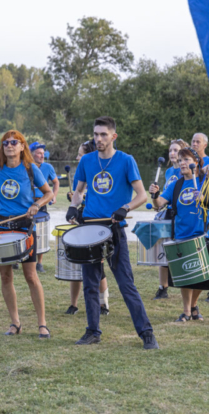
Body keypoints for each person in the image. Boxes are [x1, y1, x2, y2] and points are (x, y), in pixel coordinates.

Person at [67, 116, 158, 349]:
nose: (98, 138)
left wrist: (124, 208)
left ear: (113, 136)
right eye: (96, 134)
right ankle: (92, 331)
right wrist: (73, 206)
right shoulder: (87, 161)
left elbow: (142, 195)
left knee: (126, 283)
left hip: (113, 229)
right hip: (89, 227)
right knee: (89, 283)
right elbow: (78, 191)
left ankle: (147, 334)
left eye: (103, 135)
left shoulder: (126, 161)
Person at [0, 130, 54, 338]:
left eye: (14, 142)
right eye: (6, 143)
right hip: (2, 226)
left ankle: (42, 324)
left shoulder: (31, 170)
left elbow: (48, 193)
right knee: (5, 276)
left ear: (22, 146)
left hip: (25, 226)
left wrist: (37, 204)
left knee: (31, 275)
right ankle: (15, 323)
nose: (9, 145)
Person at [151, 147, 209, 322]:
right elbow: (159, 204)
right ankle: (187, 311)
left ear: (196, 163)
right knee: (187, 276)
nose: (182, 163)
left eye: (186, 160)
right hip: (182, 234)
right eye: (180, 160)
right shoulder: (176, 185)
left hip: (204, 234)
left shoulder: (206, 182)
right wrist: (155, 194)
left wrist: (203, 199)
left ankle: (194, 304)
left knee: (204, 277)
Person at [65, 140, 110, 316]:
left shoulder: (98, 171)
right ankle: (74, 304)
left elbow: (95, 194)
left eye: (80, 154)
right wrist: (74, 203)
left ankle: (103, 304)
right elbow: (79, 194)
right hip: (82, 219)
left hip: (95, 219)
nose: (77, 157)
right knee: (78, 262)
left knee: (98, 264)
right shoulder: (80, 172)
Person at [152, 139, 189, 300]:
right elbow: (163, 198)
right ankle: (163, 287)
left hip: (181, 216)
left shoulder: (184, 171)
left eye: (176, 150)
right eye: (170, 150)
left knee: (182, 252)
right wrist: (156, 197)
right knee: (163, 252)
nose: (172, 153)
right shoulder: (168, 172)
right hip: (167, 215)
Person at [191, 132, 209, 302]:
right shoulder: (190, 162)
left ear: (205, 145)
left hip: (206, 216)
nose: (194, 144)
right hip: (193, 217)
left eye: (198, 142)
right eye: (193, 141)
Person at [30, 141, 60, 273]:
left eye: (43, 153)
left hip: (41, 203)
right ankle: (20, 259)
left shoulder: (48, 167)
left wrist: (54, 195)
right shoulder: (24, 166)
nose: (42, 156)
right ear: (31, 154)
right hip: (26, 204)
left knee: (40, 233)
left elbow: (56, 182)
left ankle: (39, 263)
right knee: (25, 231)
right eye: (39, 153)